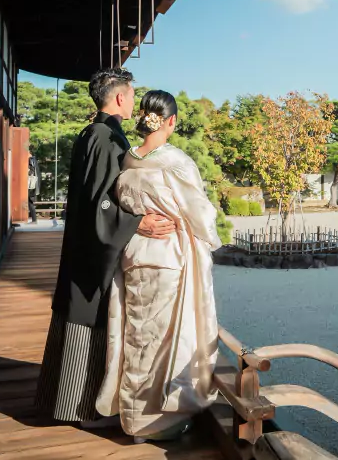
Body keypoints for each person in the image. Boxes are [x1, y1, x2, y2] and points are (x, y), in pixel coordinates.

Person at [35, 68, 175, 426]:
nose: (134, 102)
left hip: (84, 243)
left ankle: (69, 402)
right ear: (118, 98)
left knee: (82, 316)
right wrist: (137, 222)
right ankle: (79, 406)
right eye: (131, 94)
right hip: (91, 248)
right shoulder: (105, 137)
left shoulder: (94, 132)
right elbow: (102, 201)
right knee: (89, 318)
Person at [96, 90, 222, 443]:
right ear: (171, 121)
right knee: (167, 340)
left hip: (135, 253)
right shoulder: (176, 161)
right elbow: (201, 213)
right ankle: (157, 421)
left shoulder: (129, 160)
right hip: (168, 256)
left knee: (138, 335)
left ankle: (132, 417)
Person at [27, 153, 39, 223]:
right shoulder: (33, 160)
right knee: (30, 203)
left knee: (30, 203)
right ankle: (34, 219)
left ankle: (34, 220)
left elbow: (30, 172)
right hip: (31, 186)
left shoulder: (31, 161)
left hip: (30, 186)